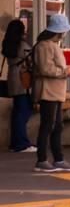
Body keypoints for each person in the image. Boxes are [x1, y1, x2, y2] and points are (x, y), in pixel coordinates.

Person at [31, 14, 70, 173]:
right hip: (48, 91)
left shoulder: (51, 44)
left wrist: (67, 70)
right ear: (59, 31)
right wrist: (67, 71)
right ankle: (42, 159)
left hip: (55, 91)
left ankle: (58, 158)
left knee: (56, 125)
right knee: (48, 125)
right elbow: (46, 69)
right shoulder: (45, 46)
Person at [3, 18, 34, 153]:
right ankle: (22, 143)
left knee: (17, 112)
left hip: (12, 78)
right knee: (24, 111)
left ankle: (15, 143)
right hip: (23, 79)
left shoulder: (8, 43)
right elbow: (32, 62)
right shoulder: (23, 45)